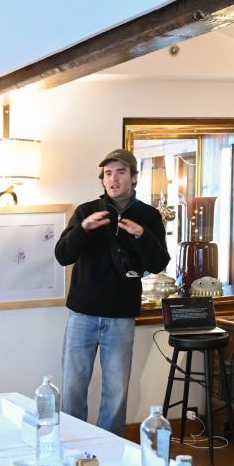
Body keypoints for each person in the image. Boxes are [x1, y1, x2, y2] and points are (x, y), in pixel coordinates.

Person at [54, 148, 170, 436]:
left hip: (121, 315)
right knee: (73, 385)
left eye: (120, 172)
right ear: (102, 179)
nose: (113, 178)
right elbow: (62, 255)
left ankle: (110, 447)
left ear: (134, 177)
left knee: (116, 389)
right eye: (108, 173)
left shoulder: (149, 216)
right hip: (82, 313)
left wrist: (141, 235)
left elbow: (158, 264)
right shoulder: (86, 211)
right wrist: (83, 229)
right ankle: (70, 441)